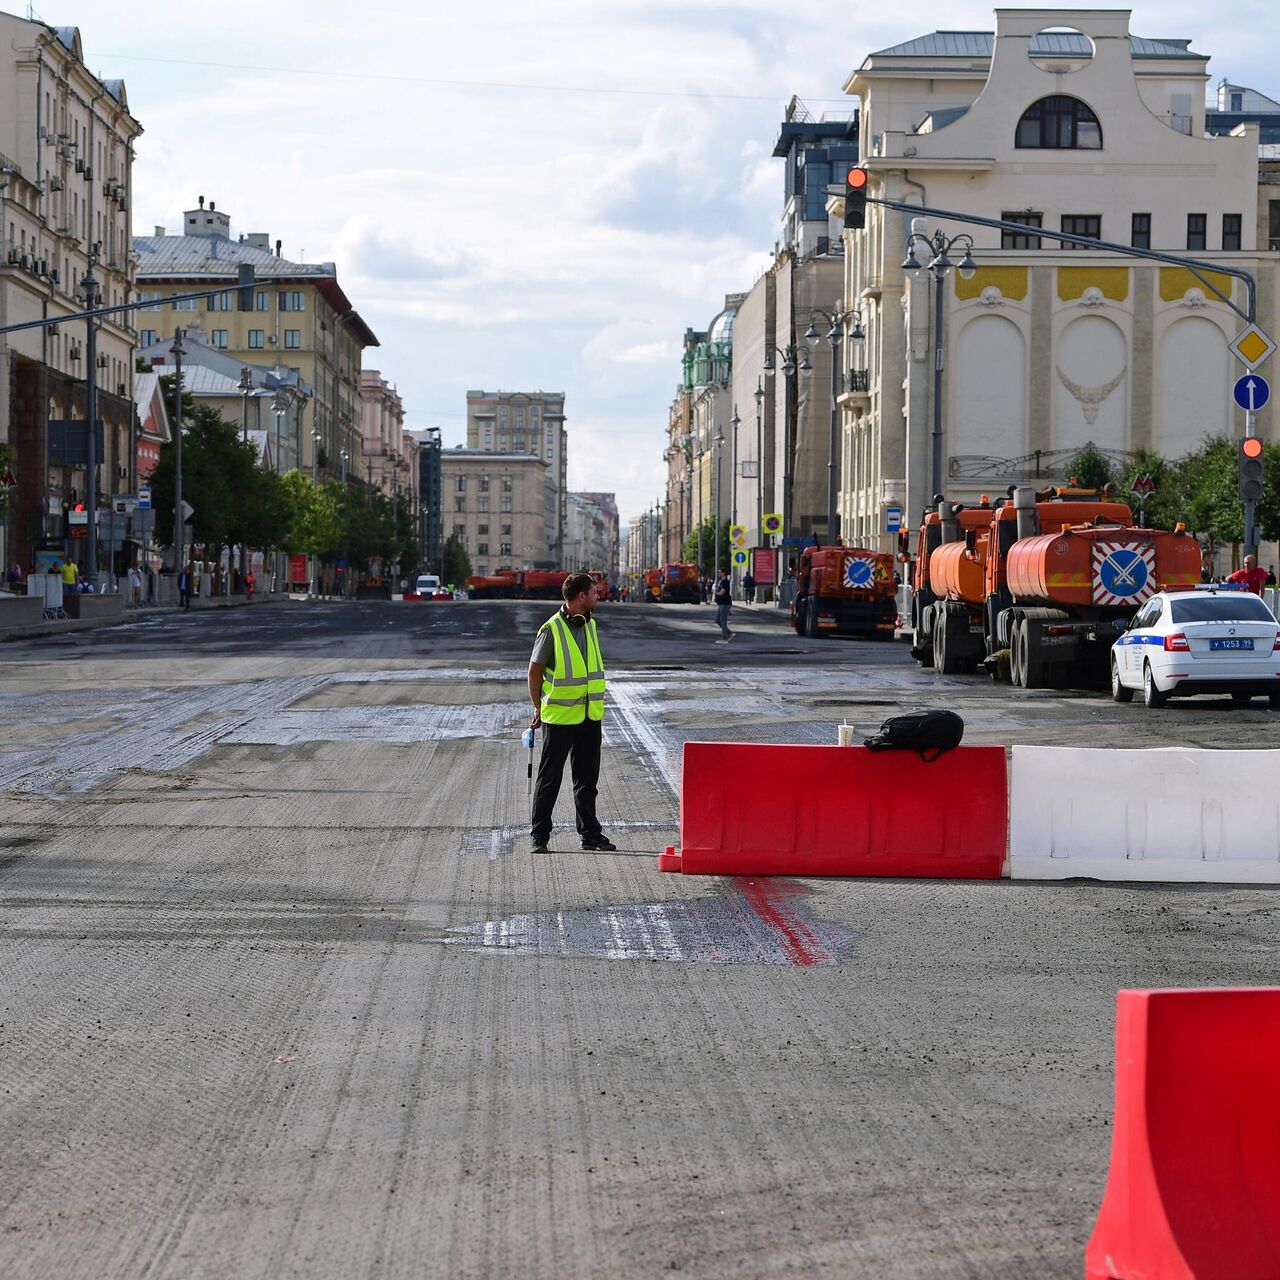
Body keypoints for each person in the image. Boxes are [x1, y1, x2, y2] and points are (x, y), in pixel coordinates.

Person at [527, 572, 614, 854]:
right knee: (549, 779)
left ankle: (590, 834)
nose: (597, 596)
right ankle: (539, 836)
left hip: (589, 715)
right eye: (594, 592)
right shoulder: (551, 629)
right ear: (581, 597)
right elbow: (534, 671)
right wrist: (538, 707)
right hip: (560, 717)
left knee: (587, 781)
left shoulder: (590, 625)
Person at [713, 571, 733, 643]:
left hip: (725, 603)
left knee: (722, 620)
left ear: (724, 573)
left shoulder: (725, 582)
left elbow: (722, 592)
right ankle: (729, 633)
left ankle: (725, 638)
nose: (718, 573)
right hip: (721, 603)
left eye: (720, 572)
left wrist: (716, 593)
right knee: (717, 620)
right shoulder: (720, 581)